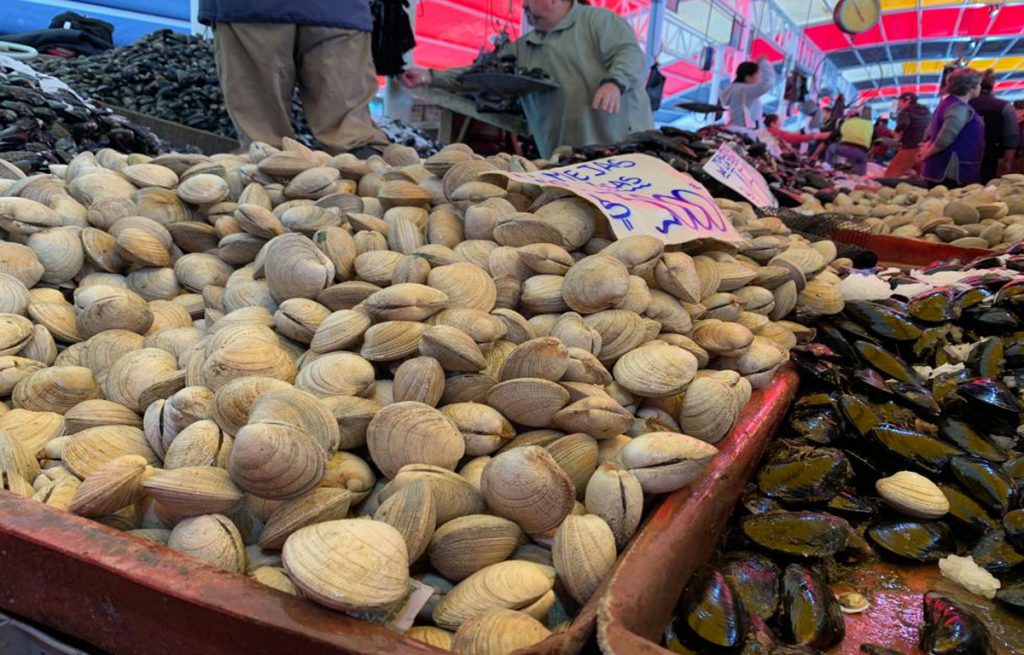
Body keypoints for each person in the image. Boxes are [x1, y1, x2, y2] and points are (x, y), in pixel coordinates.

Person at [399, 0, 652, 158]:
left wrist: (614, 83)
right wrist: (430, 76)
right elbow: (476, 76)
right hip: (563, 159)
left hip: (622, 151)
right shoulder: (523, 47)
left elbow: (629, 53)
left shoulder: (599, 21)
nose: (523, 6)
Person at [198, 0, 389, 156]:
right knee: (352, 134)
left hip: (250, 10)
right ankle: (372, 182)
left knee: (264, 139)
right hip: (339, 10)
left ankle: (269, 181)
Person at [920, 68, 984, 188]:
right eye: (979, 84)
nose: (980, 87)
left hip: (940, 167)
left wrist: (926, 149)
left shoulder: (946, 104)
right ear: (971, 87)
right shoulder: (959, 108)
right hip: (951, 171)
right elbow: (945, 138)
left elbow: (928, 133)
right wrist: (926, 154)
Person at [969, 70, 1021, 182]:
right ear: (993, 85)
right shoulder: (1005, 107)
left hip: (964, 158)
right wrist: (1008, 162)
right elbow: (1011, 138)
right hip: (993, 158)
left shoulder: (962, 106)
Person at [719, 57, 777, 130]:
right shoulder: (744, 90)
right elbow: (768, 83)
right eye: (757, 74)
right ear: (748, 77)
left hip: (736, 128)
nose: (759, 78)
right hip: (745, 131)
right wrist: (763, 62)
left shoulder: (733, 89)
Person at [884, 92, 931, 177]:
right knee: (922, 177)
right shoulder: (927, 112)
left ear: (907, 101)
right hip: (923, 148)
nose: (898, 105)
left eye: (899, 102)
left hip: (910, 147)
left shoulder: (906, 111)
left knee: (890, 175)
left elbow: (904, 124)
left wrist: (896, 132)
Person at [824, 108, 874, 175]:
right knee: (860, 171)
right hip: (861, 152)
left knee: (831, 148)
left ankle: (828, 169)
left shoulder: (847, 122)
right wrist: (870, 154)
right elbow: (877, 141)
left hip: (845, 149)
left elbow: (834, 136)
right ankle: (859, 177)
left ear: (849, 116)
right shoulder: (870, 124)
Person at [762, 114, 829, 155]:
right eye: (778, 121)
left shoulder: (768, 131)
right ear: (772, 124)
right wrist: (815, 136)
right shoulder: (774, 131)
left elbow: (791, 136)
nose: (780, 123)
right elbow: (792, 137)